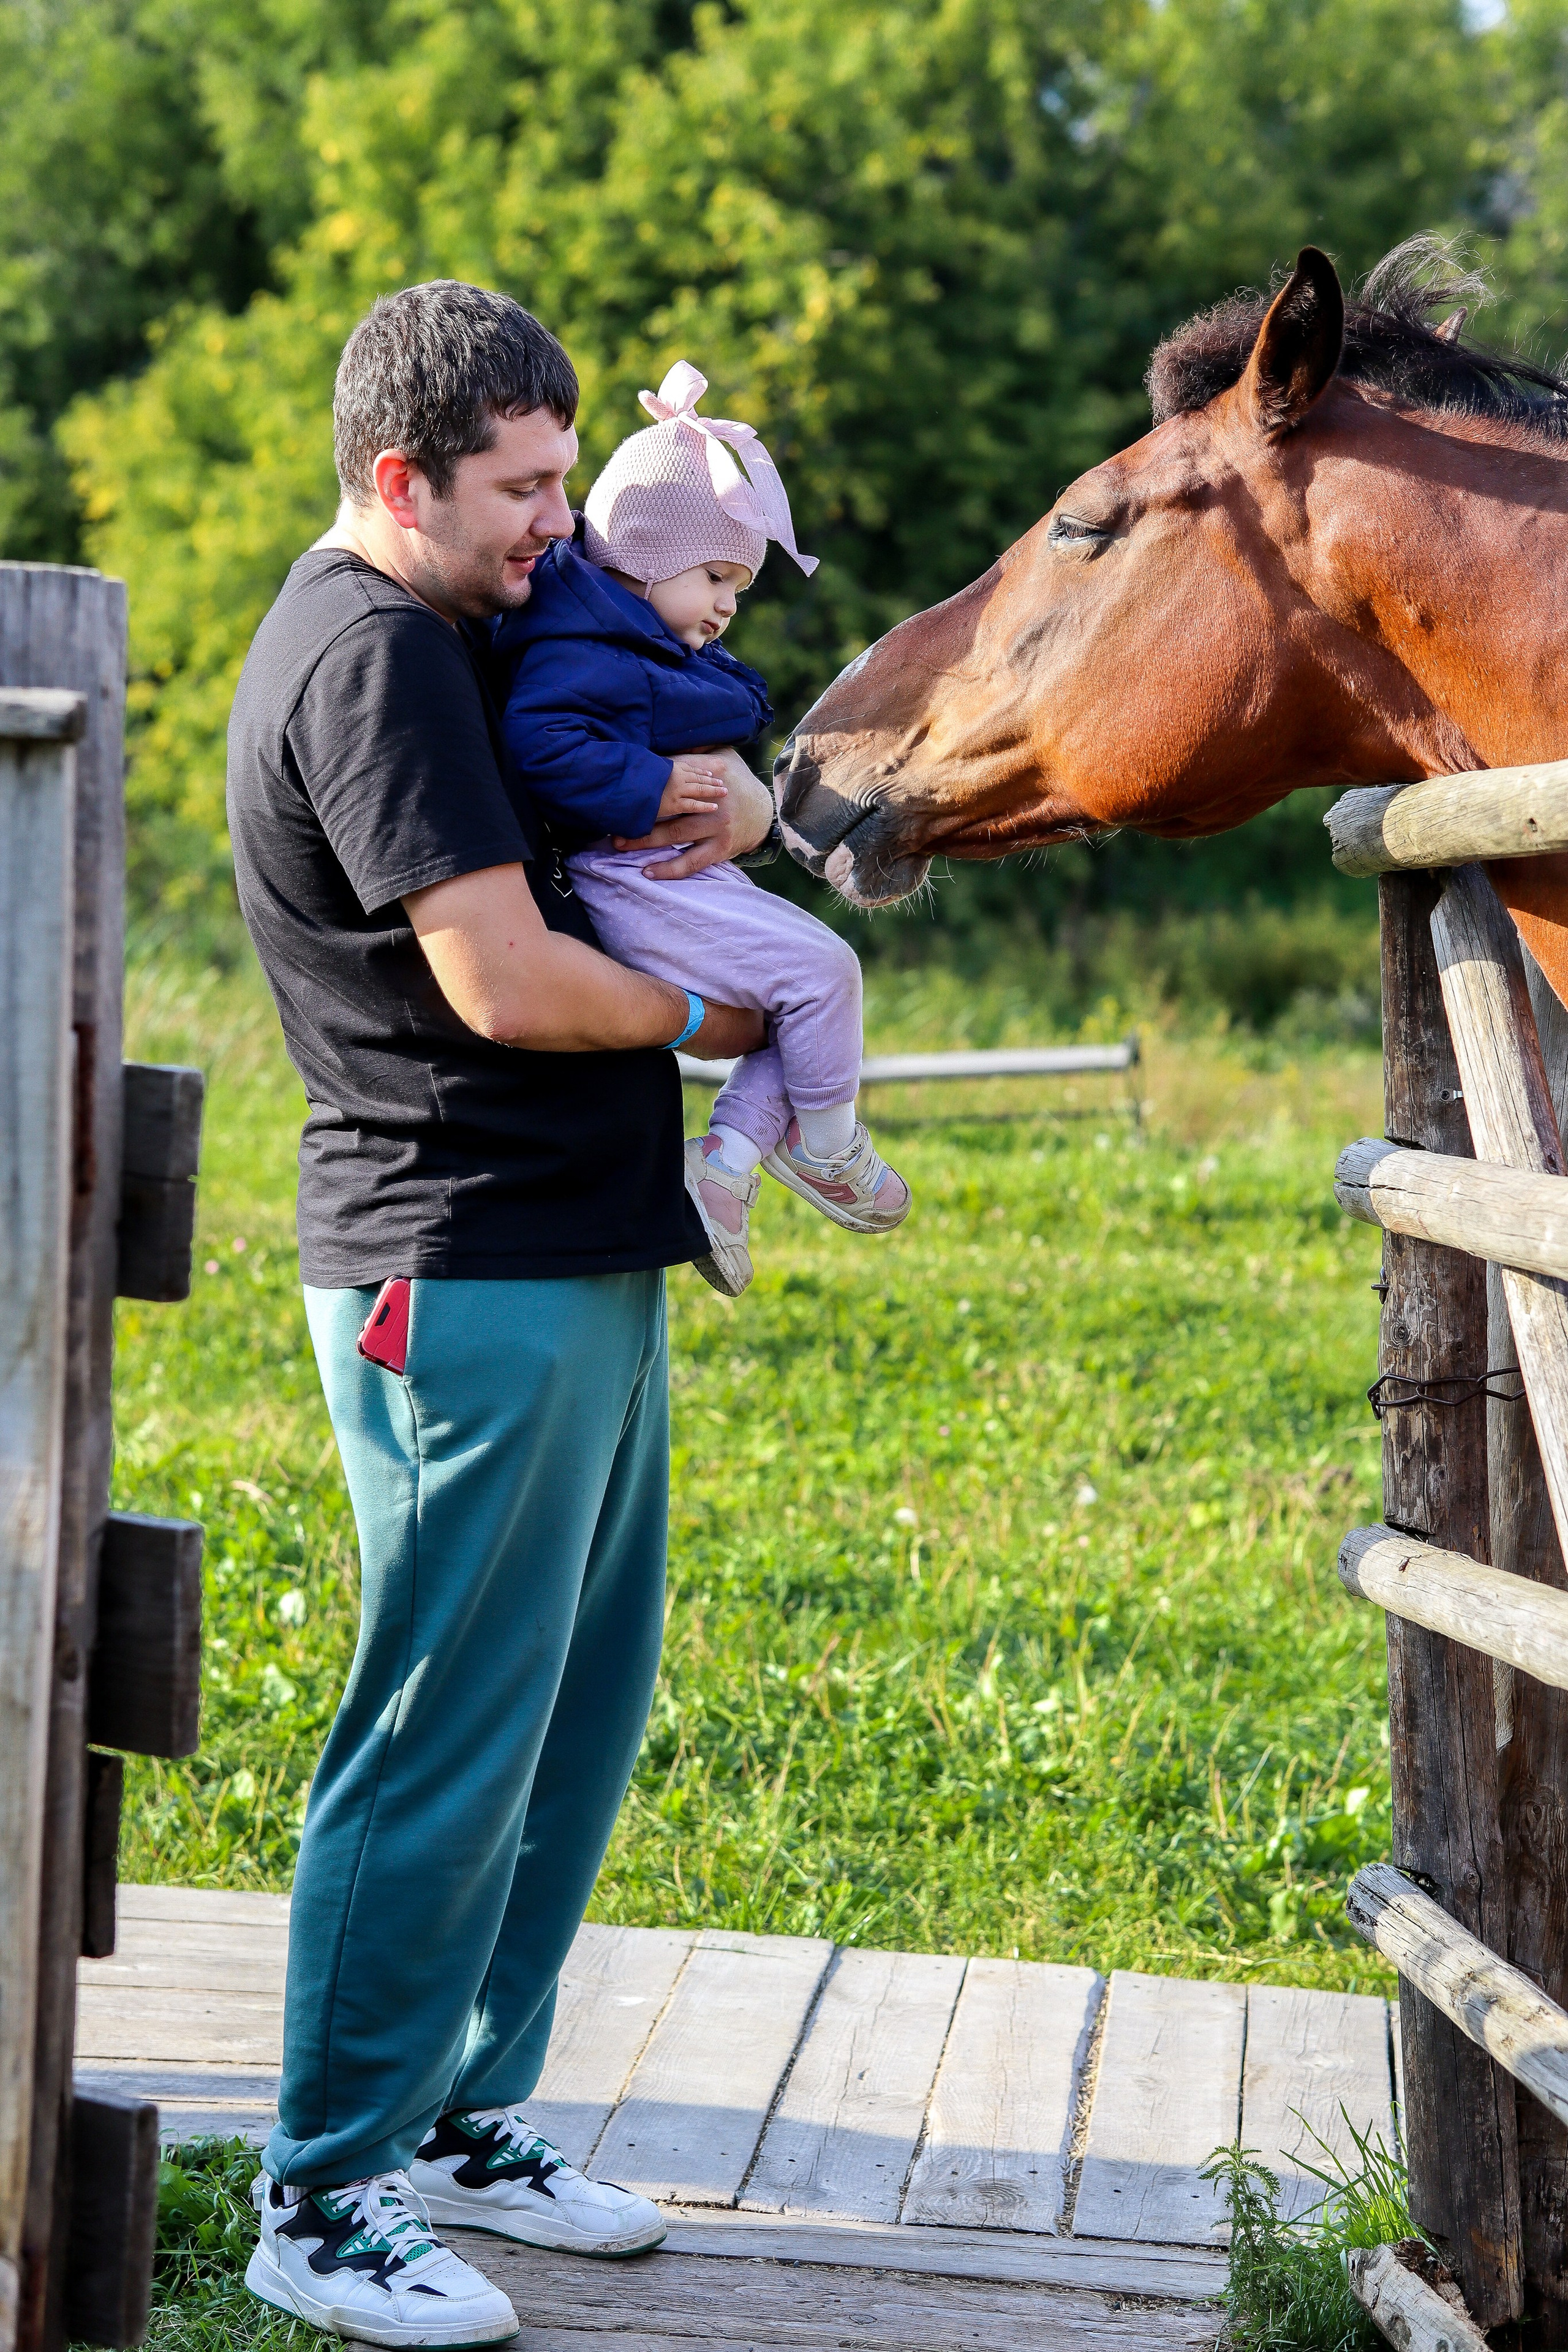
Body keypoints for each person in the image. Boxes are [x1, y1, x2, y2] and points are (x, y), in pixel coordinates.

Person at [225, 280, 777, 2346]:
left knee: (572, 1707)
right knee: (442, 1726)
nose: (561, 518)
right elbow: (510, 985)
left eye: (566, 474)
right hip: (447, 1262)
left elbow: (650, 784)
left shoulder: (471, 627)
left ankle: (463, 2121)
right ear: (403, 477)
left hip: (577, 1243)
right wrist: (738, 1010)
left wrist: (727, 806)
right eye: (525, 486)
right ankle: (323, 2189)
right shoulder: (370, 660)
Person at [494, 361, 910, 1298]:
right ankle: (830, 1145)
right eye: (716, 575)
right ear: (641, 554)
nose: (727, 604)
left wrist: (736, 793)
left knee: (790, 1014)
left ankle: (721, 1174)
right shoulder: (580, 645)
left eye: (741, 587)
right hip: (631, 877)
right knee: (823, 976)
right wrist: (652, 784)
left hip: (668, 871)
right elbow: (542, 748)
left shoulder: (632, 639)